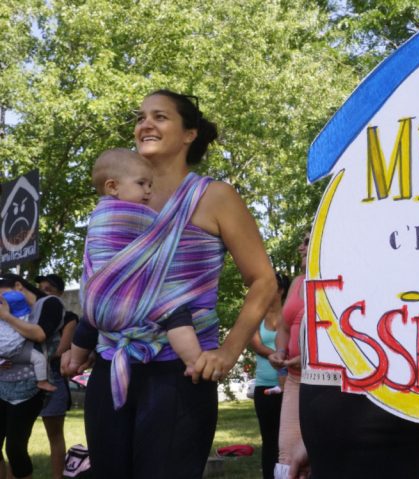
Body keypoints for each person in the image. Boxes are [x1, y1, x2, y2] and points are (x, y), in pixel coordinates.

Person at [61, 89, 276, 478]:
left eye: (159, 117)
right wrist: (88, 339)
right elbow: (102, 282)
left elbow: (262, 280)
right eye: (140, 117)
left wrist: (228, 352)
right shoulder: (115, 199)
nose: (145, 124)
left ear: (189, 133)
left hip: (180, 372)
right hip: (113, 366)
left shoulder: (215, 197)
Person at [81, 147, 202, 375]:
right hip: (130, 296)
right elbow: (164, 237)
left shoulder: (97, 215)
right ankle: (194, 361)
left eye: (150, 185)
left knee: (86, 319)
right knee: (175, 312)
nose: (148, 191)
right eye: (141, 184)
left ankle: (75, 357)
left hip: (97, 303)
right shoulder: (134, 215)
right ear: (113, 186)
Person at [0, 274, 67, 479]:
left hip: (31, 387)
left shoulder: (49, 304)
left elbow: (39, 335)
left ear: (18, 286)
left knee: (15, 447)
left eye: (2, 297)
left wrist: (6, 316)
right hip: (3, 385)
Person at [269, 233, 309, 479]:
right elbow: (284, 328)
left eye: (306, 241)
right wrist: (280, 351)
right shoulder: (296, 283)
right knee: (286, 457)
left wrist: (308, 357)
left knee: (313, 455)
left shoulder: (342, 279)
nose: (300, 247)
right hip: (294, 379)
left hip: (327, 384)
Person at [35, 274, 78, 479]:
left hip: (52, 377)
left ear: (60, 293)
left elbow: (61, 350)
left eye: (48, 289)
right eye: (40, 288)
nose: (43, 292)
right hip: (23, 378)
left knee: (54, 434)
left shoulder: (68, 317)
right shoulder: (31, 316)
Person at [251, 273, 290, 479]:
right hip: (264, 385)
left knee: (288, 440)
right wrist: (276, 355)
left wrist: (283, 357)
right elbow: (256, 344)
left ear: (281, 291)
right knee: (269, 439)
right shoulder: (257, 314)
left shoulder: (290, 314)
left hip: (290, 386)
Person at [0, 289, 55, 392]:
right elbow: (38, 334)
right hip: (19, 351)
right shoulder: (25, 318)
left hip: (2, 353)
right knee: (39, 359)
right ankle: (42, 382)